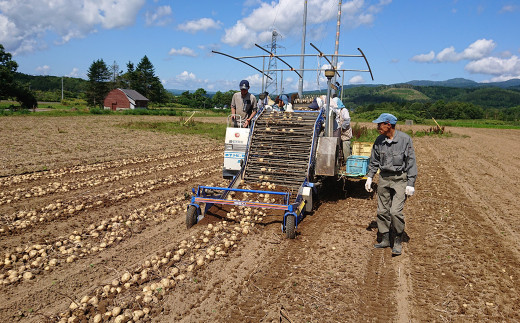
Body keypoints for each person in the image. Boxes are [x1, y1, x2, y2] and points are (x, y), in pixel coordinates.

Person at [365, 113, 417, 256]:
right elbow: (374, 161)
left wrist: (411, 183)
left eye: (379, 124)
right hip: (384, 178)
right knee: (382, 211)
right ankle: (385, 238)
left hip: (400, 178)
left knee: (395, 212)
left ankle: (398, 239)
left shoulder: (405, 140)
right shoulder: (379, 141)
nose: (377, 127)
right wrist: (370, 177)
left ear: (388, 125)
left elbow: (411, 162)